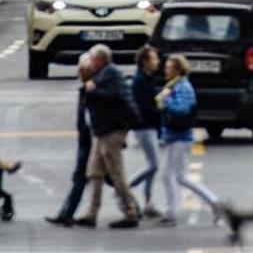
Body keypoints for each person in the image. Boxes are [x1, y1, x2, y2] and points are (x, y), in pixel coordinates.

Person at [74, 45, 141, 229]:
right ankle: (91, 213)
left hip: (111, 131)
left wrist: (92, 89)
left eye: (92, 59)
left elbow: (112, 96)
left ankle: (130, 212)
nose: (90, 62)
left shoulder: (110, 74)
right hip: (102, 131)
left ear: (100, 59)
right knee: (94, 173)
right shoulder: (104, 73)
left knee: (116, 173)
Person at [156, 54, 222, 227]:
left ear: (177, 69)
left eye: (169, 68)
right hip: (174, 136)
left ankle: (212, 202)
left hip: (180, 137)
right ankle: (171, 211)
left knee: (178, 176)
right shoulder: (175, 85)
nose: (165, 70)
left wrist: (166, 100)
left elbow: (182, 111)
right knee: (172, 176)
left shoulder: (182, 87)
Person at [46, 53, 96, 227]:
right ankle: (66, 213)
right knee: (81, 178)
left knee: (113, 179)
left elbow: (91, 118)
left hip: (94, 143)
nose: (78, 72)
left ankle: (133, 209)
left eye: (81, 69)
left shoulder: (92, 89)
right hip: (87, 141)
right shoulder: (85, 89)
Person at [127, 45, 163, 219]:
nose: (157, 61)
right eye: (154, 58)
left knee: (152, 166)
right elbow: (145, 107)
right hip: (144, 127)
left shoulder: (147, 78)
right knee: (154, 165)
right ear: (145, 61)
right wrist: (161, 110)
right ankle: (125, 189)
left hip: (149, 126)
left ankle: (149, 203)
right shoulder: (140, 81)